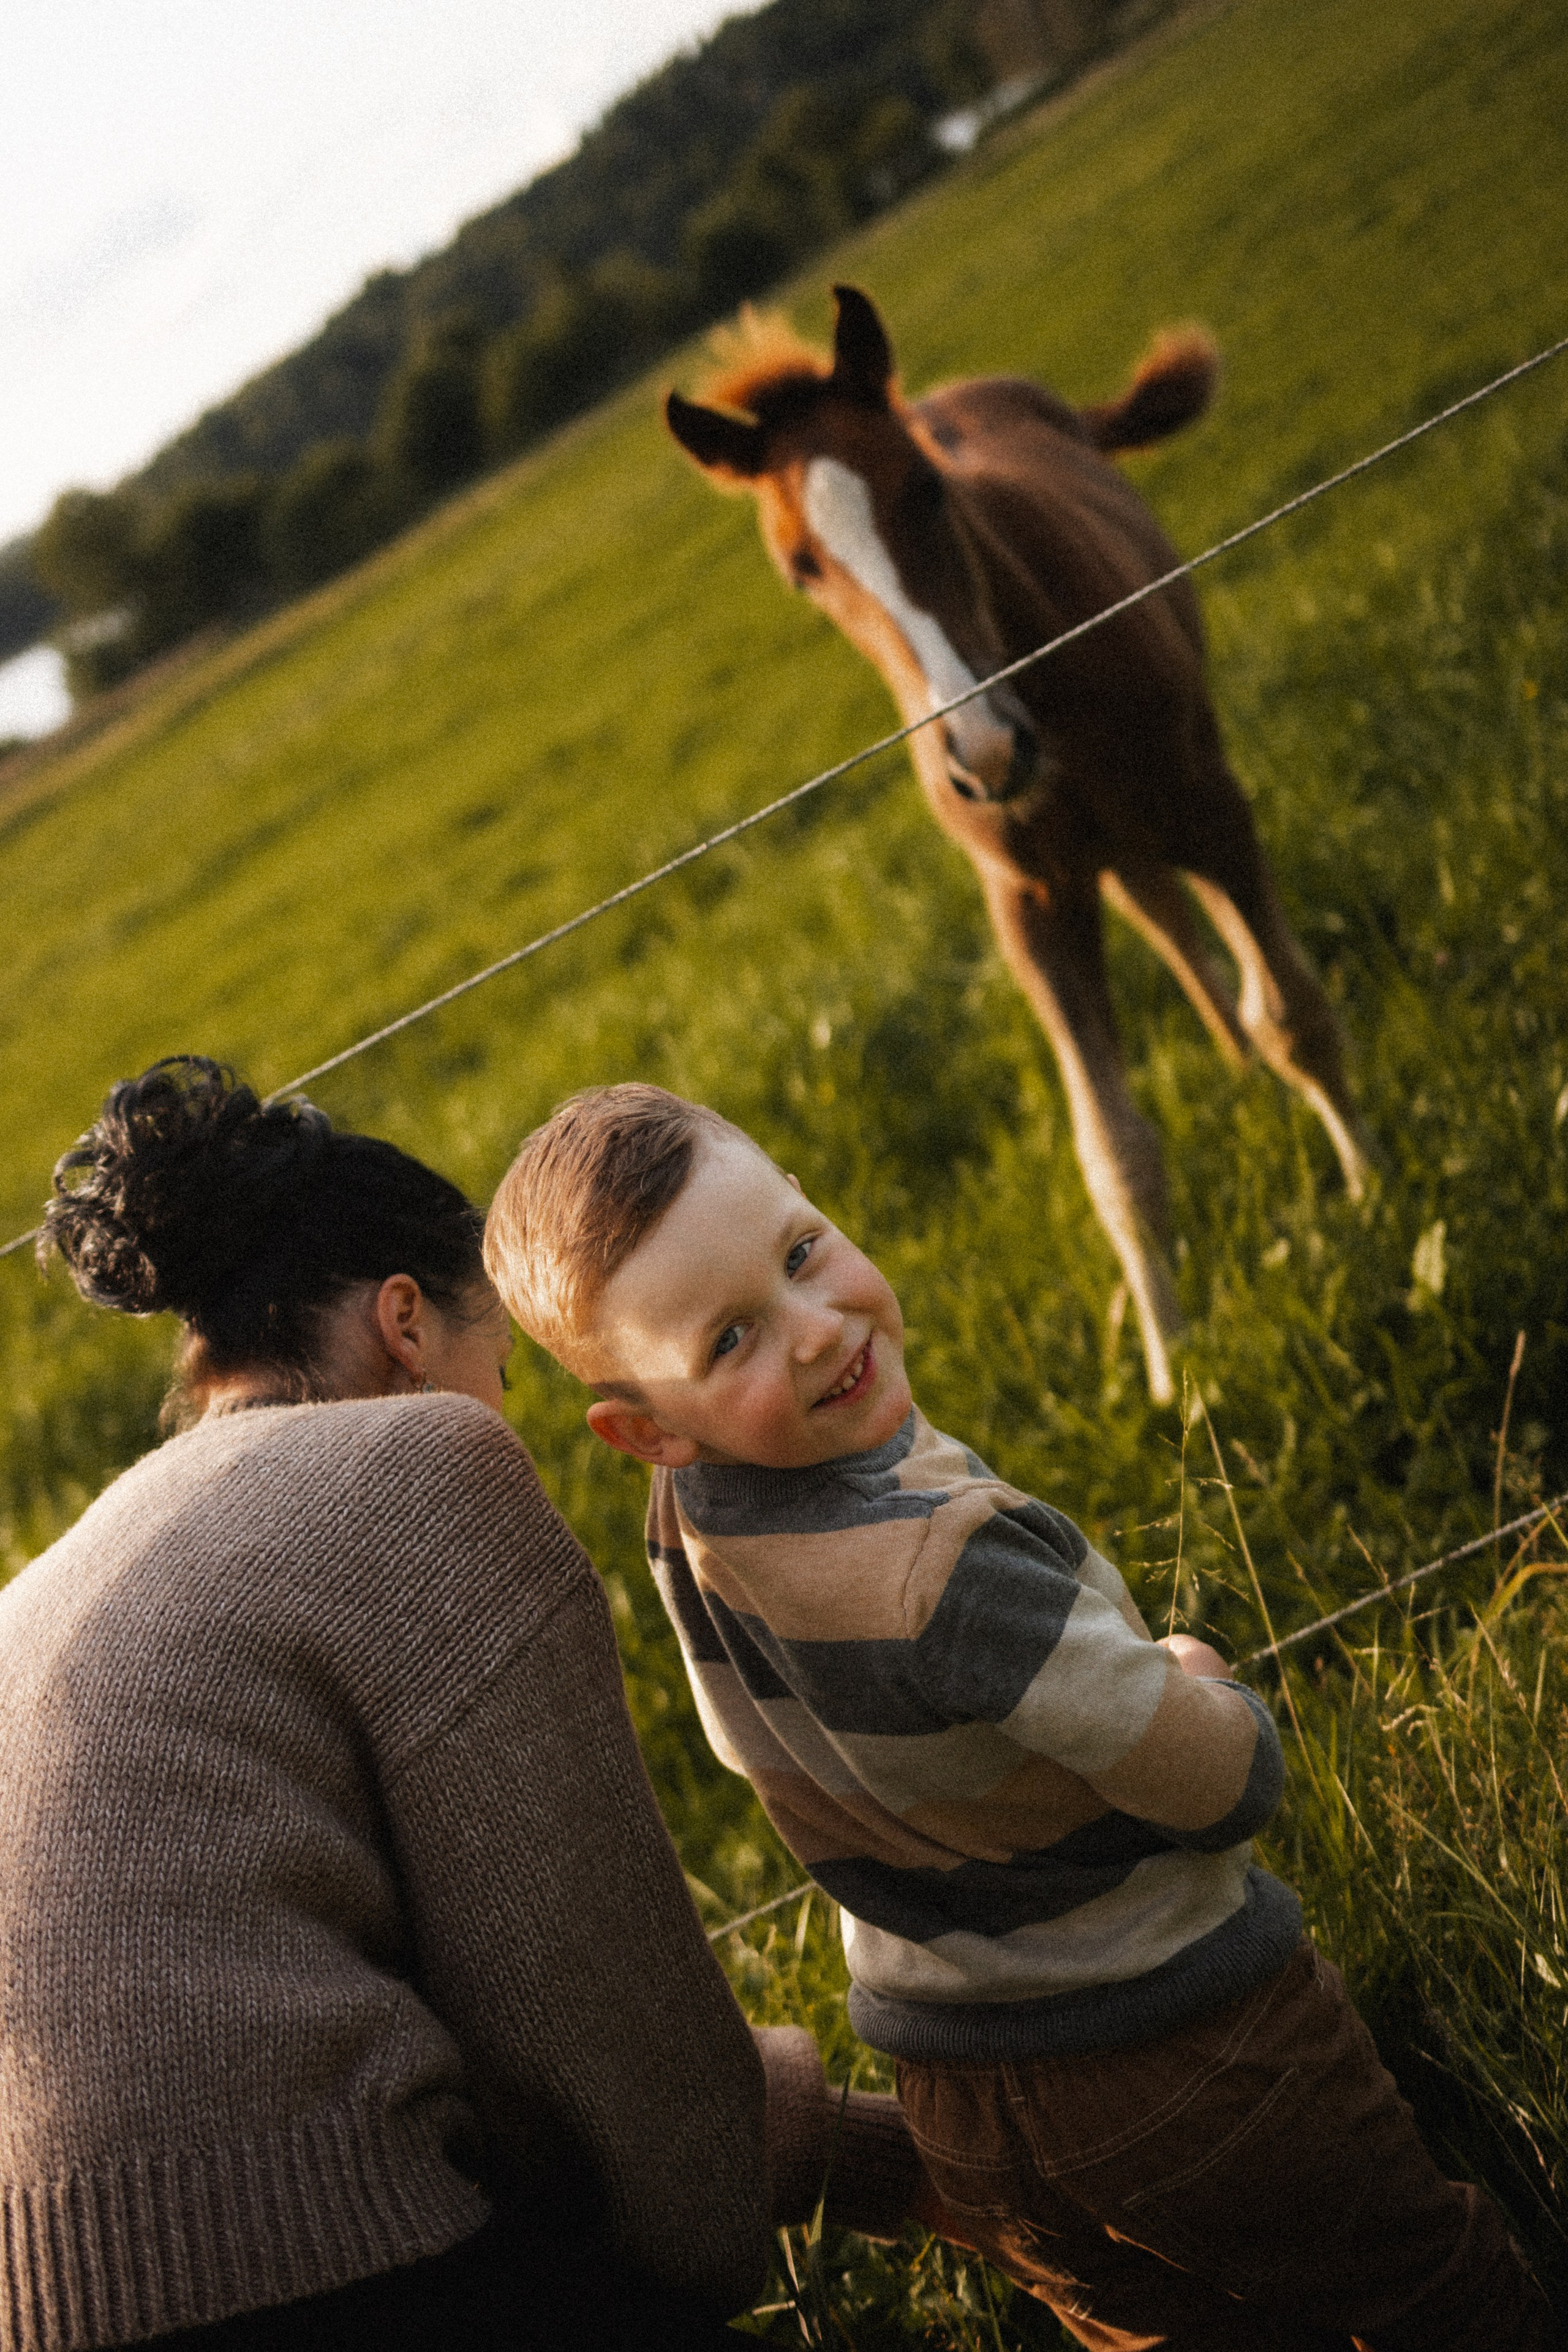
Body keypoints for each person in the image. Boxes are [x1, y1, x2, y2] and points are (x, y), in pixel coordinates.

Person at [483, 1081, 1553, 2352]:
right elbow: (1221, 1786)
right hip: (1180, 2043)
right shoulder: (948, 1571)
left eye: (799, 1252)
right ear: (642, 1430)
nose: (816, 1331)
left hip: (956, 2094)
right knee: (1425, 2289)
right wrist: (1195, 1675)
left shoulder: (689, 1525)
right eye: (730, 1340)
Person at [0, 1058, 927, 2352]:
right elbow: (604, 2054)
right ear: (405, 1322)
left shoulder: (42, 1586)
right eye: (496, 1366)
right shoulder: (417, 1458)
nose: (502, 1420)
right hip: (336, 2277)